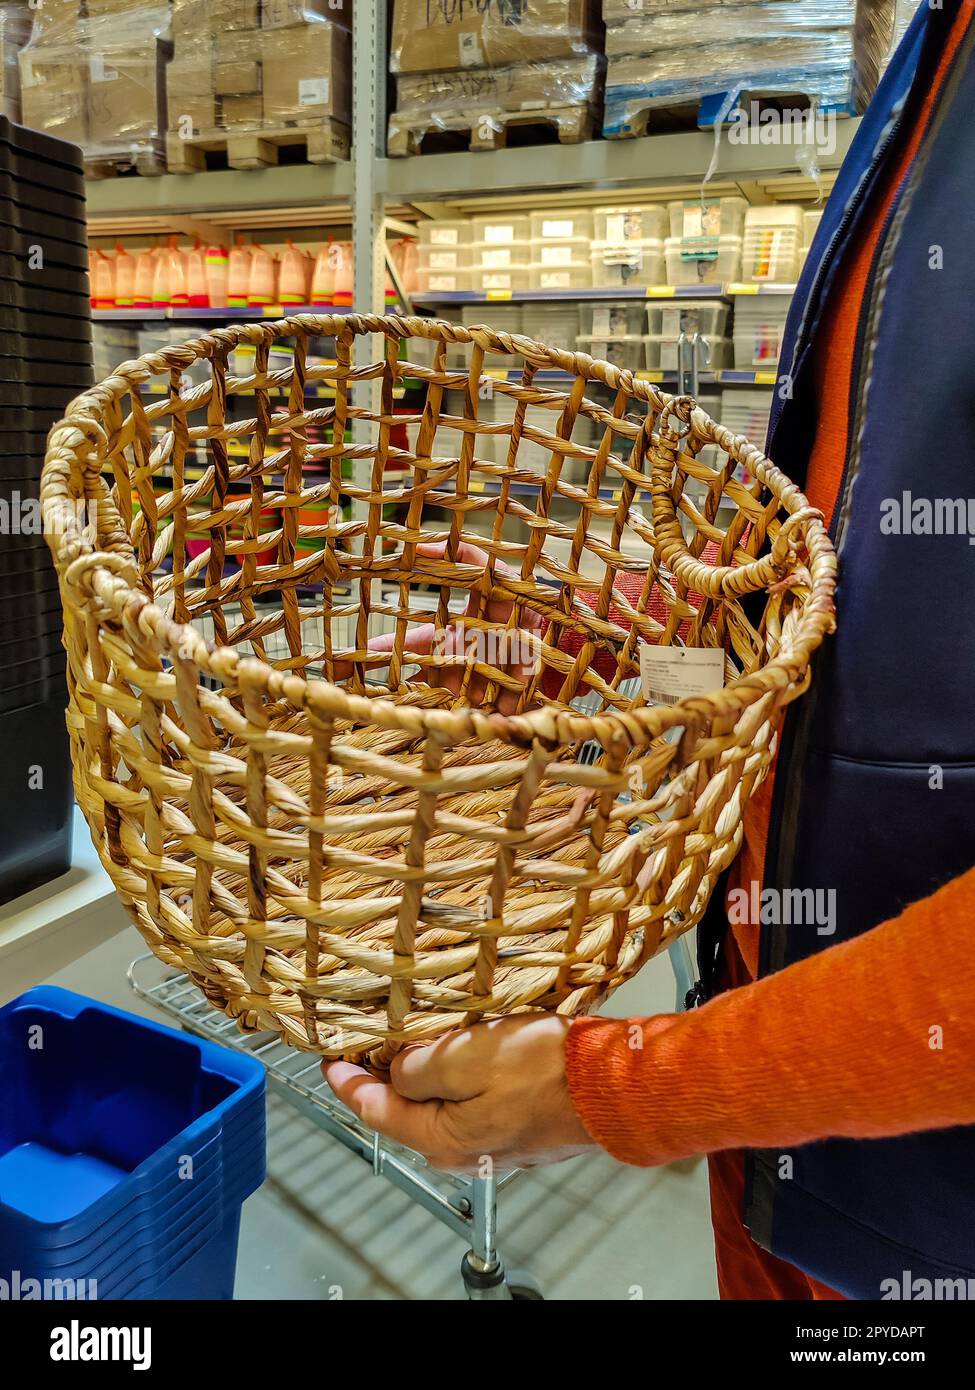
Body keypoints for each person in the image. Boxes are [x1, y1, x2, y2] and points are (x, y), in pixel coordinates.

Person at [324, 0, 975, 1300]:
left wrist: (614, 1083)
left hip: (917, 1186)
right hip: (795, 1144)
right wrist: (638, 668)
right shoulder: (936, 57)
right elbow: (874, 589)